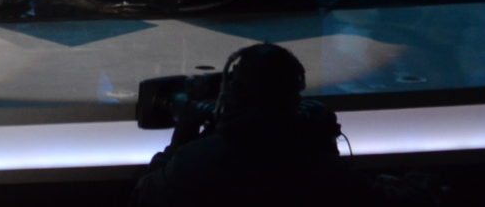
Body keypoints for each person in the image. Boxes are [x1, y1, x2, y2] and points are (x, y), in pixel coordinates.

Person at [130, 44, 435, 205]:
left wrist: (182, 136)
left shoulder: (195, 162)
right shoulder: (318, 167)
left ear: (232, 95)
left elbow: (145, 197)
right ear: (295, 95)